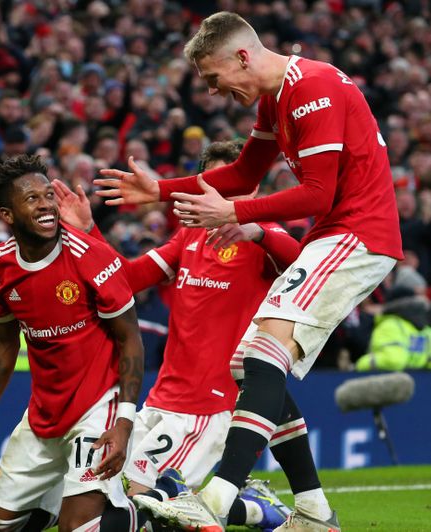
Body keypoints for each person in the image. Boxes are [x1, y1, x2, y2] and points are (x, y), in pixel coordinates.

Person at [95, 12, 402, 531]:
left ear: (242, 56)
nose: (213, 92)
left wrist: (235, 213)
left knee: (260, 356)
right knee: (249, 364)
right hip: (334, 233)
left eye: (214, 78)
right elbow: (242, 173)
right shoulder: (273, 98)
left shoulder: (313, 88)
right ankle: (314, 511)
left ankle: (216, 495)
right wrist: (161, 190)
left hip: (359, 233)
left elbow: (316, 195)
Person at [55, 140, 297, 531]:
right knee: (113, 495)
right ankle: (250, 506)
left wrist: (256, 232)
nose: (224, 194)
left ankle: (249, 507)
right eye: (215, 184)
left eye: (234, 185)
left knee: (143, 507)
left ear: (253, 189)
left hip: (209, 408)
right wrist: (89, 231)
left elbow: (303, 261)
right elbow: (128, 279)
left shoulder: (263, 236)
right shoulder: (189, 237)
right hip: (162, 398)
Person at [0, 154, 145, 532]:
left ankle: (150, 515)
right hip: (44, 412)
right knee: (1, 526)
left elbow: (131, 340)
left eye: (48, 196)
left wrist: (124, 421)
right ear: (8, 215)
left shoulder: (91, 257)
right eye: (32, 199)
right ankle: (63, 497)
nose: (46, 206)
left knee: (78, 529)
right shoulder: (1, 266)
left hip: (98, 406)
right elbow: (5, 345)